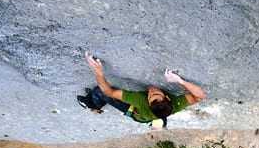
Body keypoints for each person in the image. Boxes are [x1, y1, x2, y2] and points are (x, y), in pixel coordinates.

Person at [78, 52, 206, 128]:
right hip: (154, 115)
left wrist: (99, 73)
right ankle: (157, 124)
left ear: (148, 103)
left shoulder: (139, 101)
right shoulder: (175, 104)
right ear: (167, 98)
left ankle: (92, 104)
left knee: (98, 91)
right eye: (156, 93)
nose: (151, 90)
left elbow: (109, 92)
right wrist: (179, 80)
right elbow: (199, 96)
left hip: (134, 113)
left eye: (150, 96)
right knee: (161, 120)